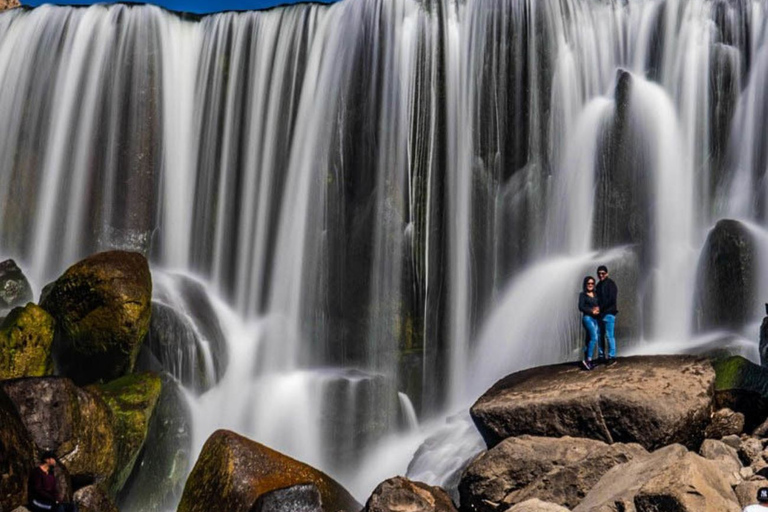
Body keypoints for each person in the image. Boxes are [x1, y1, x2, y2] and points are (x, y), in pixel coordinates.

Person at [595, 265, 618, 366]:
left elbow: (612, 299)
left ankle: (612, 356)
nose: (601, 275)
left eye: (603, 273)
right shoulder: (598, 285)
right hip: (600, 315)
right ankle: (601, 356)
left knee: (609, 335)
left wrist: (600, 307)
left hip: (609, 313)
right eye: (599, 274)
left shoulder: (611, 284)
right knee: (600, 335)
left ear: (607, 273)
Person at [578, 276, 600, 371]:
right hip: (588, 318)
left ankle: (586, 359)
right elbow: (581, 307)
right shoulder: (582, 295)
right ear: (585, 284)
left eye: (592, 283)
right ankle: (588, 361)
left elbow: (600, 304)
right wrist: (591, 311)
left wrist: (599, 309)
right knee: (594, 337)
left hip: (596, 318)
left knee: (589, 339)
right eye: (588, 283)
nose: (590, 285)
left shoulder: (596, 294)